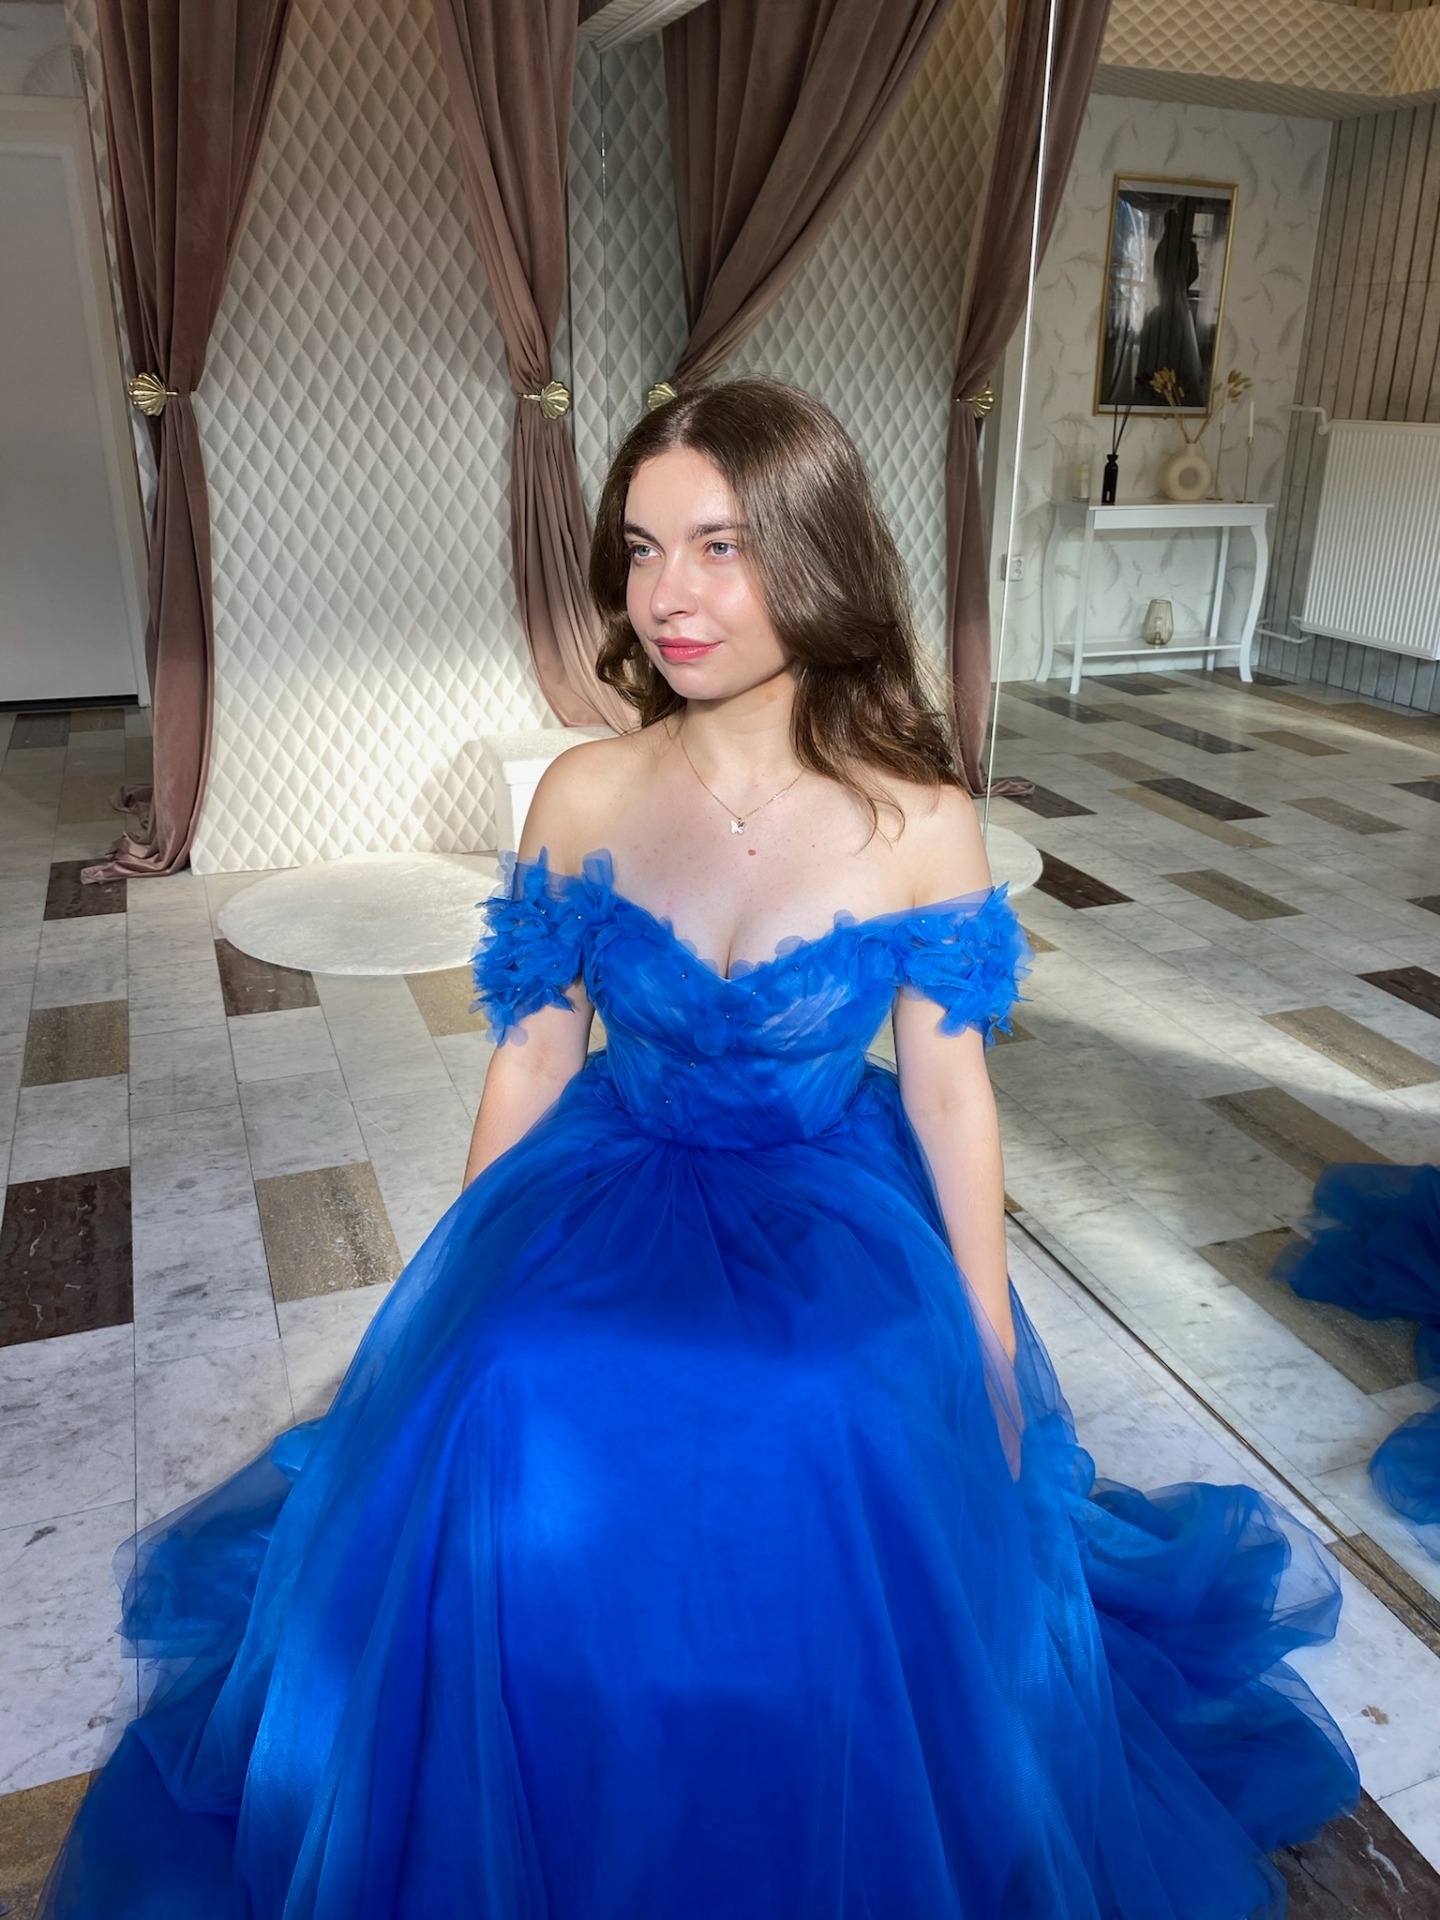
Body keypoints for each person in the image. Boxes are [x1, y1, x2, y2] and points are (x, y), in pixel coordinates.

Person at [44, 378, 1357, 1919]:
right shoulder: (583, 791)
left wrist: (993, 1342)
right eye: (642, 548)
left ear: (815, 555)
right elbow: (536, 1052)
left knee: (829, 1399)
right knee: (514, 1372)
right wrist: (446, 1298)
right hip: (618, 1164)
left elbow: (950, 1096)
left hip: (828, 1194)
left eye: (720, 546)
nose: (666, 596)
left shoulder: (921, 819)